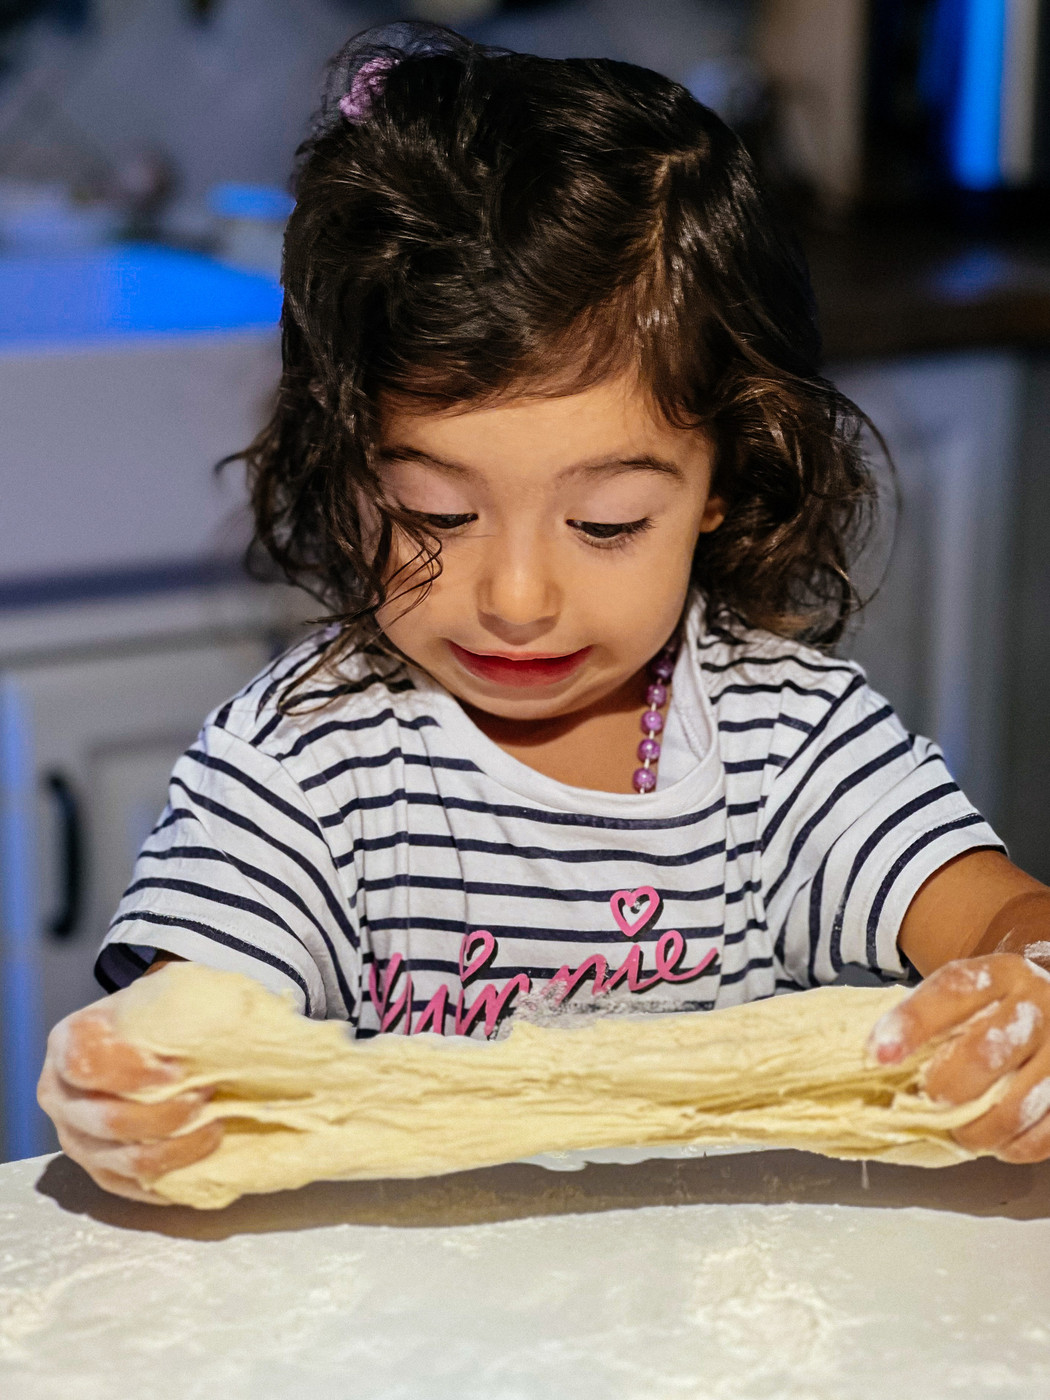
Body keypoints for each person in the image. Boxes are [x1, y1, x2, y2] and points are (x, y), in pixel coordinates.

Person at [37, 24, 1050, 1203]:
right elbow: (186, 1020)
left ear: (721, 480)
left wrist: (1030, 996)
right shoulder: (303, 764)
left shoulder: (788, 742)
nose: (517, 598)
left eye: (607, 523)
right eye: (435, 514)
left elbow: (1002, 918)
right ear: (345, 467)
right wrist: (136, 1087)